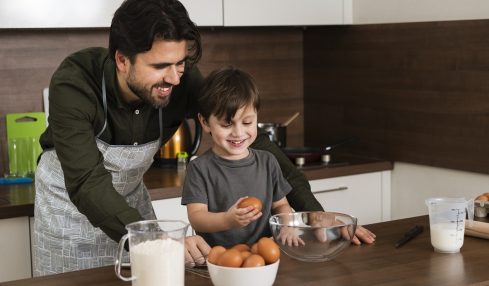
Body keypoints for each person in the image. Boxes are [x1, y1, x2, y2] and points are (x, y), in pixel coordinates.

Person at [32, 0, 374, 276]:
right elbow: (88, 182)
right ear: (122, 59)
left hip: (132, 204)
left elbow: (254, 142)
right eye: (160, 66)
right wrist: (154, 238)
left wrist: (311, 212)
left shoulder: (181, 79)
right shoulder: (75, 82)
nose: (175, 78)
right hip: (69, 209)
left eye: (181, 63)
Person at [182, 67, 304, 248]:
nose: (238, 133)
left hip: (264, 254)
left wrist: (286, 225)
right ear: (205, 122)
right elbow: (197, 218)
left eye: (247, 122)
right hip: (220, 258)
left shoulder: (268, 161)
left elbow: (281, 206)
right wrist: (227, 220)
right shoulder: (199, 168)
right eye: (226, 124)